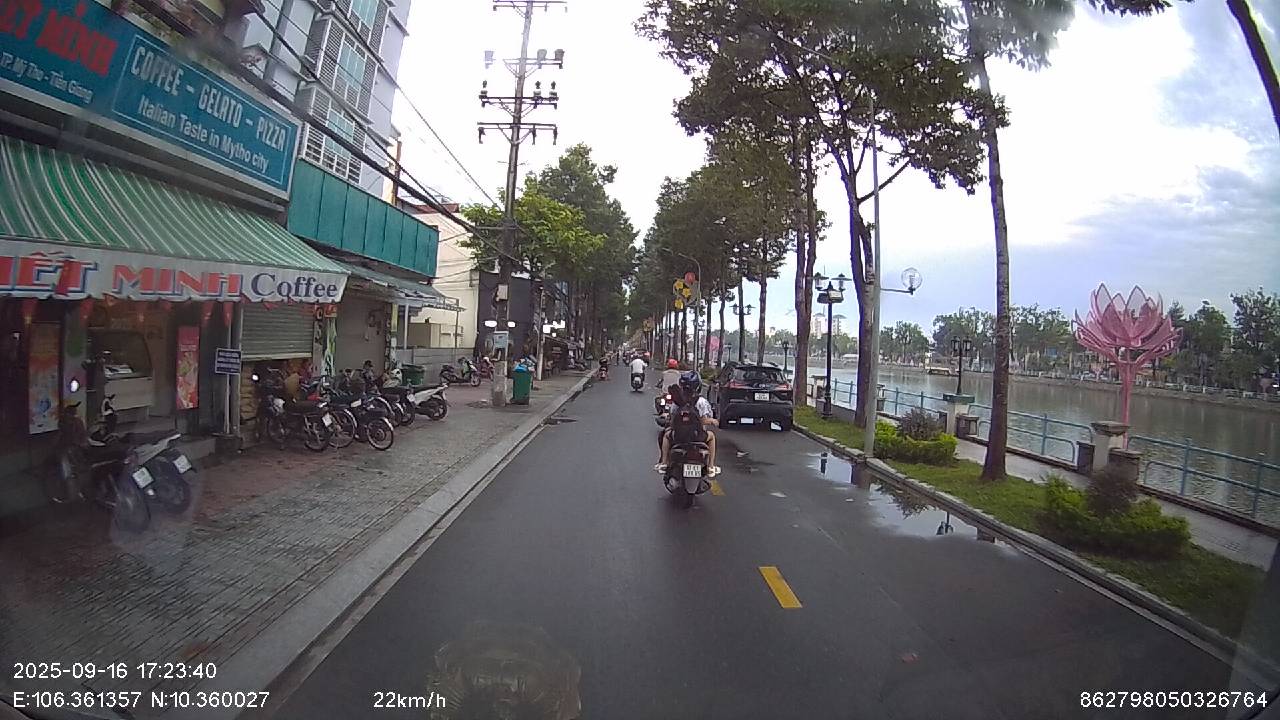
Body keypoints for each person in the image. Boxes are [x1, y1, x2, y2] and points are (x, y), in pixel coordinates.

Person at [655, 371, 719, 476]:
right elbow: (704, 420)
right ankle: (711, 466)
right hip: (698, 436)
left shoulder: (677, 401)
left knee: (665, 435)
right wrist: (712, 421)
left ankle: (664, 462)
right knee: (712, 437)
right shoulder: (701, 402)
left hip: (678, 436)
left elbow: (672, 418)